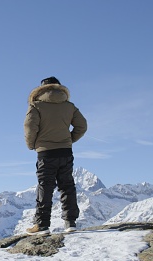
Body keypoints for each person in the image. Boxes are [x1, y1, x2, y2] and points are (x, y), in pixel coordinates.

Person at [24, 76, 87, 235]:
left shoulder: (36, 106)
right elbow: (82, 126)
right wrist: (70, 139)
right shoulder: (69, 106)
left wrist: (32, 145)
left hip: (45, 153)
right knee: (67, 185)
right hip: (66, 151)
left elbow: (30, 127)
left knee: (45, 187)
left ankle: (42, 225)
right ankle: (70, 223)